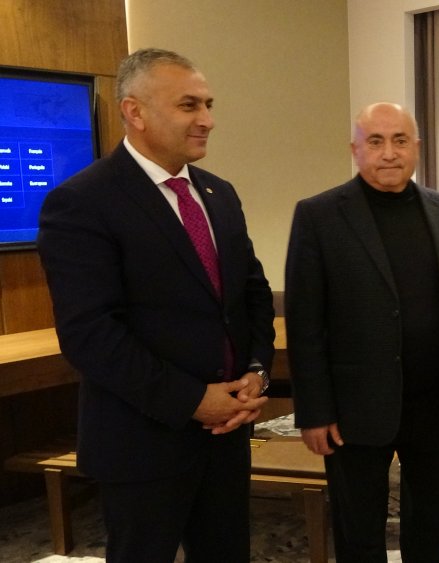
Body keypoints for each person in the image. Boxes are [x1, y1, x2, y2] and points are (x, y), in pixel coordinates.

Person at [37, 48, 275, 562]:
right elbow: (90, 334)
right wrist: (192, 400)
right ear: (135, 111)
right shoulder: (83, 202)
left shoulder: (219, 194)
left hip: (227, 436)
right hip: (142, 443)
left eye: (208, 105)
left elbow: (252, 294)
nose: (207, 120)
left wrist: (256, 373)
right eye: (189, 105)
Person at [285, 102, 439, 562]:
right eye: (375, 142)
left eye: (399, 141)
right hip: (354, 407)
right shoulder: (318, 216)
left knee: (431, 520)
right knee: (359, 527)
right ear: (355, 150)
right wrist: (313, 411)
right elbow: (305, 324)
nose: (389, 153)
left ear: (417, 147)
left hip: (432, 402)